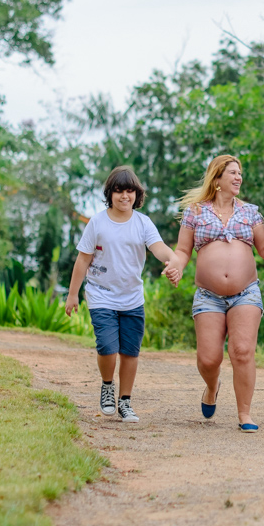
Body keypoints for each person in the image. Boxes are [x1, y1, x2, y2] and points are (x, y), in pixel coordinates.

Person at [166, 155, 264, 432]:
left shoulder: (250, 212)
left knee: (243, 351)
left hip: (245, 293)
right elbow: (183, 251)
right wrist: (175, 267)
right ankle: (212, 386)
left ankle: (245, 414)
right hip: (208, 295)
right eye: (233, 173)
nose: (239, 178)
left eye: (240, 173)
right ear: (217, 178)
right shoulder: (195, 212)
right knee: (209, 359)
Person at [65, 166, 180, 423]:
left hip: (132, 298)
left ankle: (125, 401)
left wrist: (173, 260)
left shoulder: (142, 222)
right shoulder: (97, 222)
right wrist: (73, 295)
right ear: (110, 193)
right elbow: (82, 261)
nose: (124, 195)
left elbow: (159, 248)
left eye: (129, 190)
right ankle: (108, 386)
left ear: (136, 194)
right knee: (107, 347)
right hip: (101, 294)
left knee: (130, 352)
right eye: (119, 190)